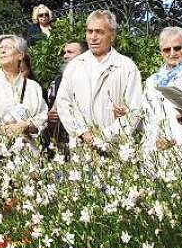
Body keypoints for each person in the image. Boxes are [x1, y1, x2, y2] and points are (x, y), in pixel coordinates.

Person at [55, 10, 143, 147]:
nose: (93, 37)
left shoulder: (127, 67)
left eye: (99, 32)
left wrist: (104, 137)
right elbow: (63, 103)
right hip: (82, 146)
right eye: (89, 32)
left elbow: (135, 109)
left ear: (112, 35)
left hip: (116, 148)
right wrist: (82, 132)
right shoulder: (74, 66)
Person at [0, 35, 48, 159]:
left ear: (20, 55)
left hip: (26, 156)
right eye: (0, 48)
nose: (2, 51)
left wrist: (26, 125)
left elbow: (42, 116)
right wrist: (1, 129)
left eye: (7, 47)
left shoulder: (33, 87)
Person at [141, 27, 182, 152]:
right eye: (166, 50)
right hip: (155, 149)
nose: (172, 53)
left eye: (177, 48)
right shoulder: (151, 81)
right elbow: (147, 116)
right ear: (161, 52)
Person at [43, 40, 86, 149]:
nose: (65, 56)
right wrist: (49, 115)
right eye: (65, 52)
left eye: (70, 52)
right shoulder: (57, 81)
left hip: (86, 138)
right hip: (61, 141)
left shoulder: (93, 80)